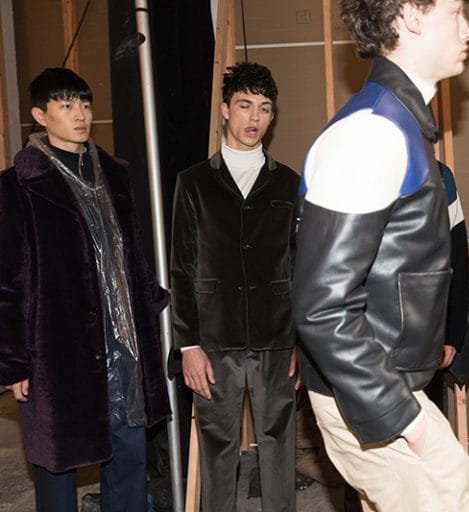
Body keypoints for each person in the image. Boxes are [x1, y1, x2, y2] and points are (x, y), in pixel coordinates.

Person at [291, 1, 469, 510]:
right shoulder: (371, 133)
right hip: (375, 392)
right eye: (455, 12)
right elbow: (322, 306)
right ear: (410, 16)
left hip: (385, 383)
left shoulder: (396, 123)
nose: (468, 29)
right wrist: (405, 417)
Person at [0, 67, 170, 512]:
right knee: (59, 463)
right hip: (56, 349)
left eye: (85, 103)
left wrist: (151, 304)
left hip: (124, 341)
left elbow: (133, 250)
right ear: (40, 115)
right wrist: (14, 361)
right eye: (65, 104)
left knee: (129, 451)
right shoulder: (18, 184)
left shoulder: (114, 174)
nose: (80, 114)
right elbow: (8, 279)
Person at [170, 61, 299, 512]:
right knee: (217, 447)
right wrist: (188, 345)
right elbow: (181, 267)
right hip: (214, 338)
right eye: (245, 105)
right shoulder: (193, 183)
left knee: (279, 444)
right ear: (225, 109)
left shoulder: (288, 183)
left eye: (264, 108)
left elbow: (300, 263)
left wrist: (300, 340)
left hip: (276, 338)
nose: (254, 118)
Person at [423, 161, 469, 411]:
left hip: (428, 331)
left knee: (427, 422)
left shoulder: (440, 176)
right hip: (368, 331)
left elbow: (457, 259)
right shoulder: (355, 164)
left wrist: (452, 334)